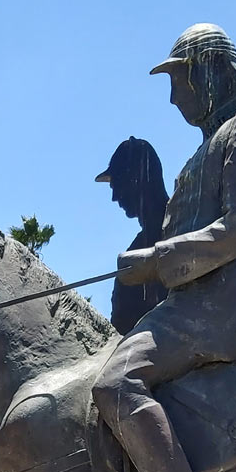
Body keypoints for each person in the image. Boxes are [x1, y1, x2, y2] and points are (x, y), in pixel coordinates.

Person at [94, 23, 236, 472]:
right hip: (188, 306)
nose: (174, 97)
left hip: (212, 309)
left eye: (179, 81)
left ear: (208, 69)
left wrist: (155, 262)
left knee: (116, 382)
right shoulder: (210, 141)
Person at [95, 136, 169, 335]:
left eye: (117, 184)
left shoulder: (180, 226)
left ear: (136, 179)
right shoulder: (138, 245)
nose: (114, 197)